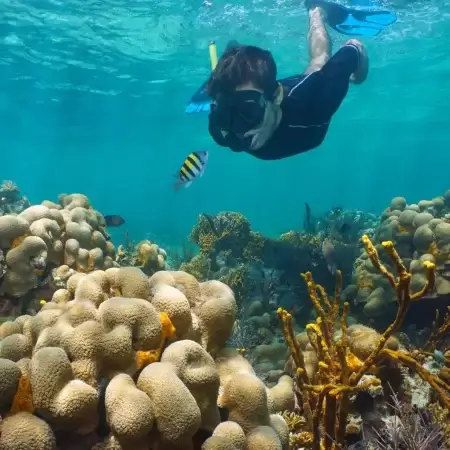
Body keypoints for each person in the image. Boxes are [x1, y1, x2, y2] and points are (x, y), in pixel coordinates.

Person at [206, 2, 369, 161]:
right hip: (270, 92)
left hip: (305, 104)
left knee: (319, 63)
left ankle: (316, 11)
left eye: (248, 111)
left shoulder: (318, 97)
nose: (240, 129)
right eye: (225, 115)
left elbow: (355, 47)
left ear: (276, 97)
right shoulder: (224, 129)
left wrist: (358, 78)